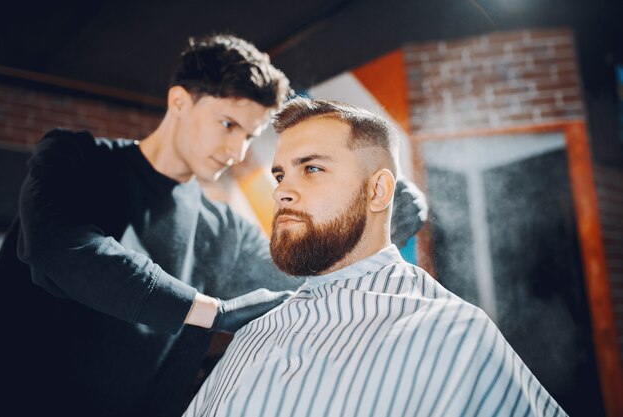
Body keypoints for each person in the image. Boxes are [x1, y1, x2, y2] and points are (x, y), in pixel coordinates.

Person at [0, 36, 427, 417]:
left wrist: (369, 210)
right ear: (180, 102)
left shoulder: (224, 229)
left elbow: (305, 274)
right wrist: (210, 312)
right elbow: (58, 248)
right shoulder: (74, 159)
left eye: (249, 136)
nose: (237, 152)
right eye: (228, 125)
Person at [182, 98, 568, 417]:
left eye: (312, 168)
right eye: (281, 175)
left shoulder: (450, 333)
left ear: (379, 191)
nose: (282, 191)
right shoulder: (254, 334)